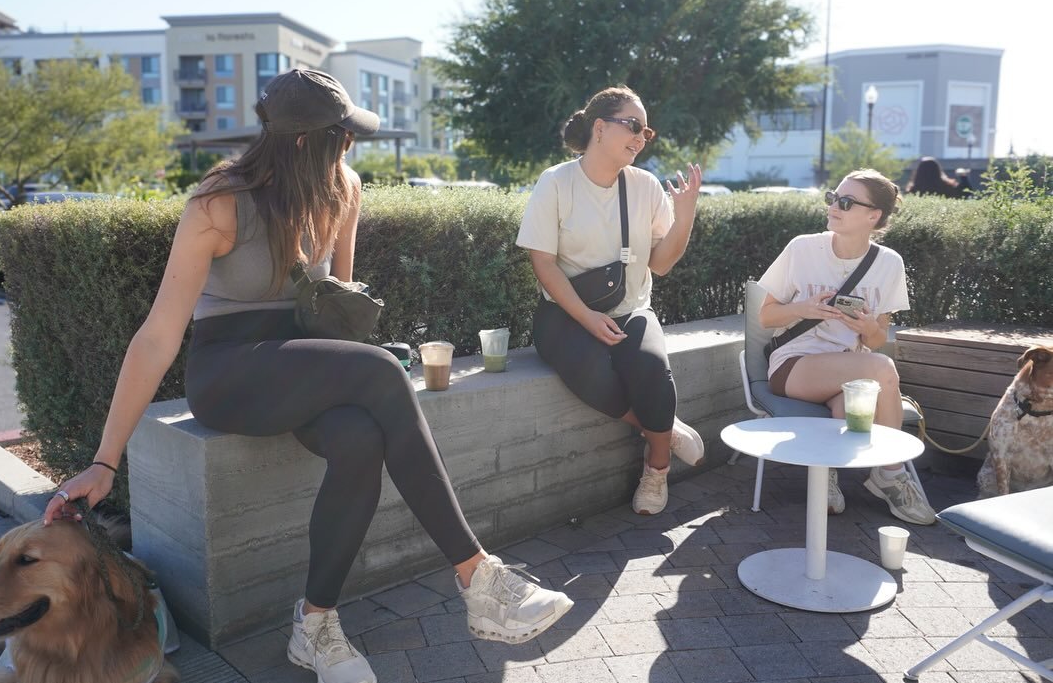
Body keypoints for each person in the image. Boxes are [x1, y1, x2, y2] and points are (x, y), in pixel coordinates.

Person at [43, 69, 573, 683]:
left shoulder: (343, 189)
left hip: (304, 360)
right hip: (231, 373)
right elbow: (159, 335)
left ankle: (315, 625)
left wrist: (349, 364)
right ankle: (477, 574)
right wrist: (106, 461)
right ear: (302, 142)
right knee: (377, 372)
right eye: (341, 135)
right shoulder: (216, 204)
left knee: (359, 437)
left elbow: (336, 302)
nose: (349, 145)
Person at [516, 86, 705, 517]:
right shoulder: (556, 182)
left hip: (631, 307)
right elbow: (542, 262)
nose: (641, 137)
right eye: (632, 126)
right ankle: (664, 431)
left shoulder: (645, 187)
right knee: (590, 372)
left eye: (646, 131)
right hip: (565, 311)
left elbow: (660, 264)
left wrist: (687, 212)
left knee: (652, 369)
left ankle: (656, 470)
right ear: (599, 129)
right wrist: (585, 318)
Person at [758, 168, 936, 525]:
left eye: (846, 202)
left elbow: (876, 341)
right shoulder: (803, 248)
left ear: (874, 216)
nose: (834, 206)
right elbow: (766, 317)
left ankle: (827, 476)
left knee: (847, 408)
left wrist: (868, 326)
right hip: (795, 365)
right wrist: (805, 309)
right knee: (882, 370)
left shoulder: (889, 264)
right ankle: (890, 473)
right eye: (833, 197)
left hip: (850, 367)